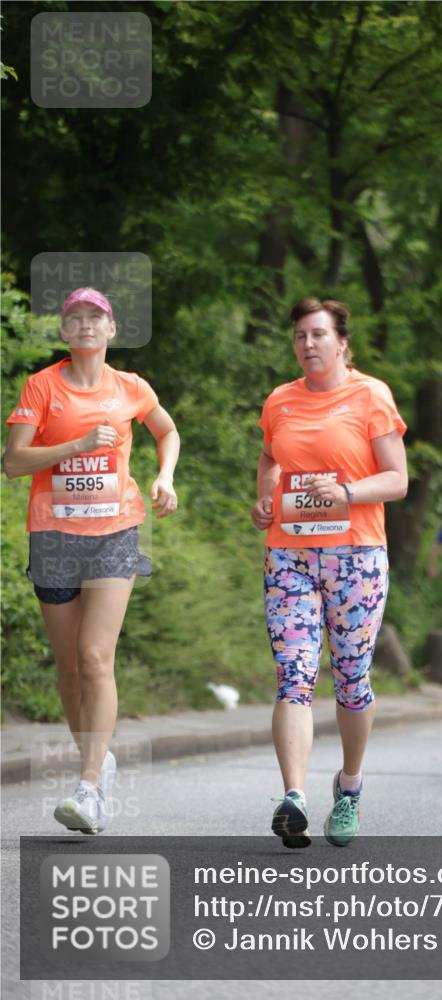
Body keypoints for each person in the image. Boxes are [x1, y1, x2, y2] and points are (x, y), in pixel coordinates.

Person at [4, 288, 179, 835]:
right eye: (74, 317)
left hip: (114, 532)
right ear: (64, 331)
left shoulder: (131, 387)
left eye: (94, 317)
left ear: (110, 329)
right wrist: (75, 446)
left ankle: (88, 787)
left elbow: (166, 430)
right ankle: (98, 760)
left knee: (95, 656)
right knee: (69, 668)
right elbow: (12, 462)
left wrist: (164, 475)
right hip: (53, 536)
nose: (84, 325)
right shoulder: (42, 386)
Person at [251, 297, 407, 848]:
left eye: (318, 334)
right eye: (300, 336)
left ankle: (349, 785)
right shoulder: (280, 401)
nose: (308, 343)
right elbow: (271, 458)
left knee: (350, 677)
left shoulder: (371, 396)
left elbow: (397, 480)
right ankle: (293, 797)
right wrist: (264, 498)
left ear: (342, 342)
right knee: (294, 674)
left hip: (355, 558)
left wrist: (346, 491)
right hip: (289, 554)